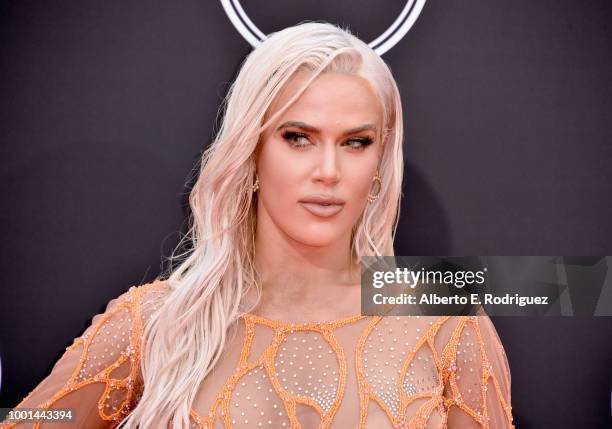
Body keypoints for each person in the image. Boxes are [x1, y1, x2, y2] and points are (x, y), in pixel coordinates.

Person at [1, 21, 514, 429]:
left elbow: (579, 288)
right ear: (251, 153)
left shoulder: (448, 319)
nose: (328, 172)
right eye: (298, 137)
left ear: (381, 162)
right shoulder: (158, 324)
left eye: (356, 142)